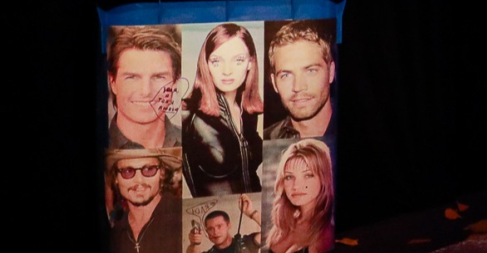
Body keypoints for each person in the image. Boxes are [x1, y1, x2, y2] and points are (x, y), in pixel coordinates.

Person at [181, 24, 265, 195]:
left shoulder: (247, 111)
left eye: (238, 60)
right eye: (217, 61)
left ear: (250, 63)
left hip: (254, 208)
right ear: (206, 64)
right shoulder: (187, 114)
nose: (227, 71)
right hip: (216, 209)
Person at [105, 26, 184, 155]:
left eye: (158, 77)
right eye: (132, 77)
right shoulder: (99, 144)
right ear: (112, 82)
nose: (146, 91)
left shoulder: (194, 142)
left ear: (174, 83)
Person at [107, 148, 185, 253]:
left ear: (162, 173)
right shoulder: (114, 235)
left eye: (148, 170)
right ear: (116, 178)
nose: (139, 181)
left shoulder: (182, 218)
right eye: (128, 171)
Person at [265, 22, 336, 144]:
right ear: (274, 83)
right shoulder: (266, 139)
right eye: (286, 75)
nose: (298, 87)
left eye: (311, 71)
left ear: (331, 72)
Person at [263, 138, 335, 253]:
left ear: (323, 179)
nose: (296, 186)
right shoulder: (284, 224)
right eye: (289, 177)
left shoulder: (325, 235)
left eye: (308, 175)